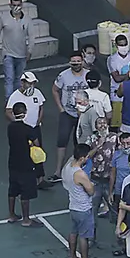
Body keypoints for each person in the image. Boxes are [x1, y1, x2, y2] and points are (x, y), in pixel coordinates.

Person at [47, 52, 89, 183]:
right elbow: (54, 89)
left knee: (80, 143)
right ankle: (58, 171)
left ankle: (79, 170)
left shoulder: (88, 74)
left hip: (83, 114)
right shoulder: (63, 76)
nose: (76, 64)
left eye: (78, 61)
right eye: (73, 61)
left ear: (82, 61)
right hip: (68, 113)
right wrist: (60, 108)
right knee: (62, 140)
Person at [6, 71, 48, 187]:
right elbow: (8, 111)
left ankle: (40, 179)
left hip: (34, 128)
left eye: (33, 83)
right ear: (22, 83)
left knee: (38, 152)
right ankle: (27, 179)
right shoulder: (15, 96)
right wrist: (18, 123)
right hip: (22, 131)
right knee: (24, 154)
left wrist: (39, 120)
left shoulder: (37, 93)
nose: (31, 86)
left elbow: (41, 107)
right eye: (29, 83)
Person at [0, 0, 35, 99]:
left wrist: (30, 51)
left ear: (22, 5)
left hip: (22, 55)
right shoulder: (3, 18)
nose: (16, 7)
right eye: (14, 5)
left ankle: (17, 100)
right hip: (8, 54)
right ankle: (9, 102)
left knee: (18, 79)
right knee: (9, 78)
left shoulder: (27, 19)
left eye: (18, 5)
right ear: (10, 5)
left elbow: (32, 36)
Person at [6, 103, 41, 226]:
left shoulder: (10, 127)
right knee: (25, 191)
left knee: (13, 189)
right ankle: (26, 219)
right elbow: (36, 143)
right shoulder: (28, 129)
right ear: (25, 112)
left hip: (12, 162)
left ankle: (11, 215)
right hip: (25, 163)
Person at [63, 144, 96, 258]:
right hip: (83, 208)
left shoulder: (68, 166)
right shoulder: (80, 174)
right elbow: (91, 191)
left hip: (73, 206)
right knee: (84, 236)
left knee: (73, 232)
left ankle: (72, 257)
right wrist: (91, 184)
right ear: (82, 158)